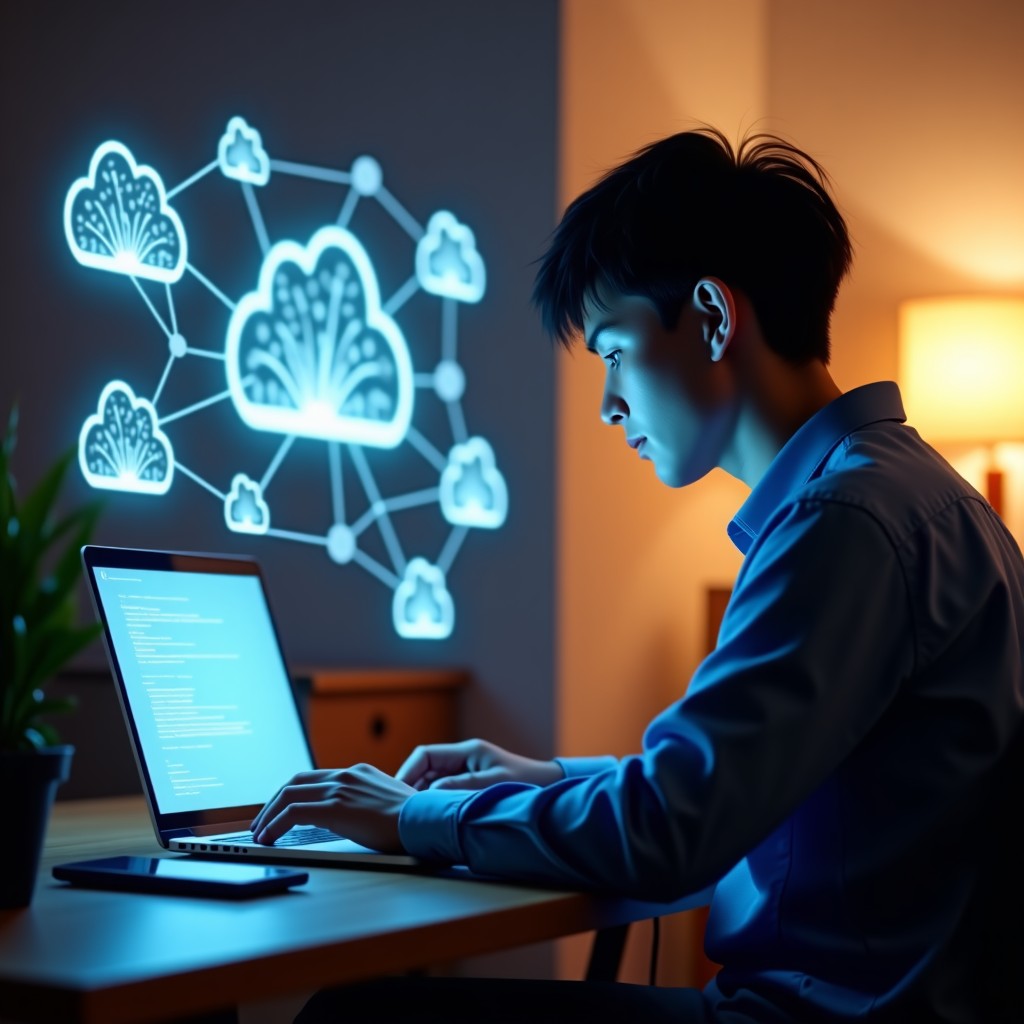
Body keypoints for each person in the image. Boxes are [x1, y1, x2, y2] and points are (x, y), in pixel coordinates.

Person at [250, 127, 1024, 1022]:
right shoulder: (923, 501)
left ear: (713, 315)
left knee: (359, 1015)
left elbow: (671, 833)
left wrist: (409, 817)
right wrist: (540, 777)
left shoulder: (842, 526)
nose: (610, 405)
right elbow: (728, 784)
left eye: (615, 352)